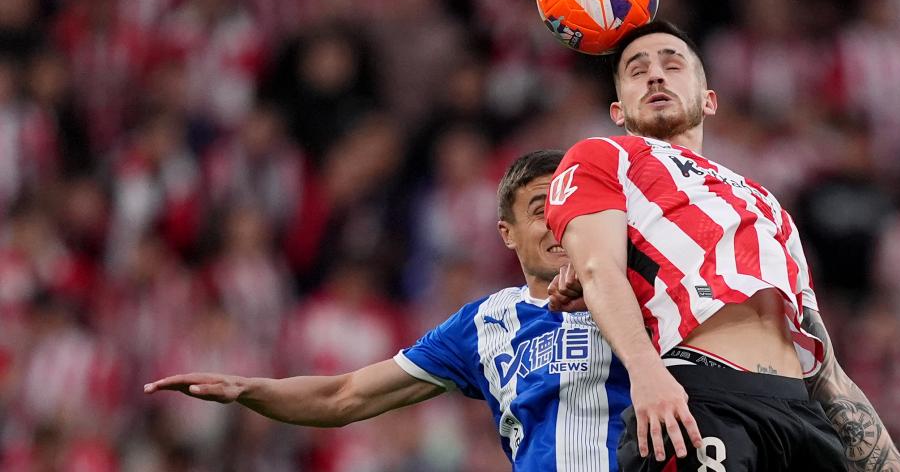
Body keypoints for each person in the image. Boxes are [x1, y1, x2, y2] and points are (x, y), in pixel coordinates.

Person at [545, 20, 900, 471]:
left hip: (798, 414)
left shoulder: (767, 203)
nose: (656, 75)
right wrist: (645, 373)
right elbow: (600, 268)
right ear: (618, 111)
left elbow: (827, 369)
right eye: (637, 71)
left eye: (672, 64)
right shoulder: (604, 156)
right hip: (699, 397)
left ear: (709, 100)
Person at [145, 149, 632, 470]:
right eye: (539, 210)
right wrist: (250, 390)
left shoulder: (642, 291)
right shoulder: (484, 324)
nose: (557, 223)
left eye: (570, 210)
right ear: (507, 234)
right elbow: (345, 396)